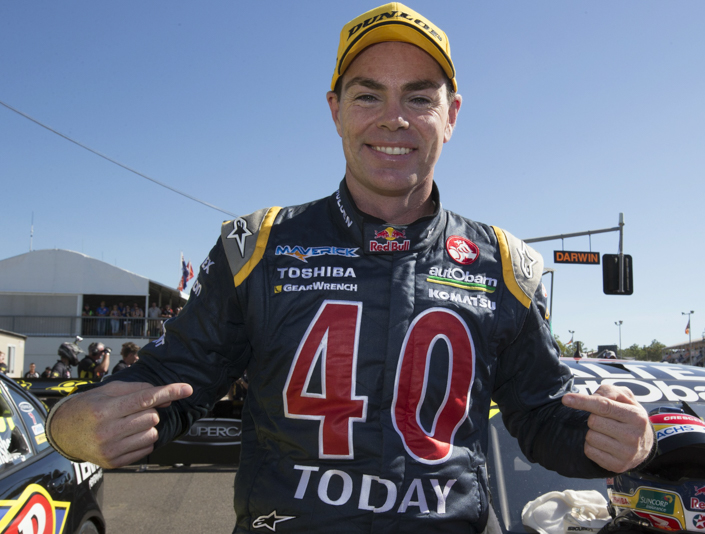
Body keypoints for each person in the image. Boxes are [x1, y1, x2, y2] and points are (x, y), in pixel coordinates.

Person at [46, 5, 654, 533]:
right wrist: (70, 426)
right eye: (368, 95)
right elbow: (168, 383)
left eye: (419, 97)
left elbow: (543, 417)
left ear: (451, 115)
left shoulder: (505, 264)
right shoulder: (257, 247)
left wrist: (620, 440)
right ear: (335, 110)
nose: (394, 118)